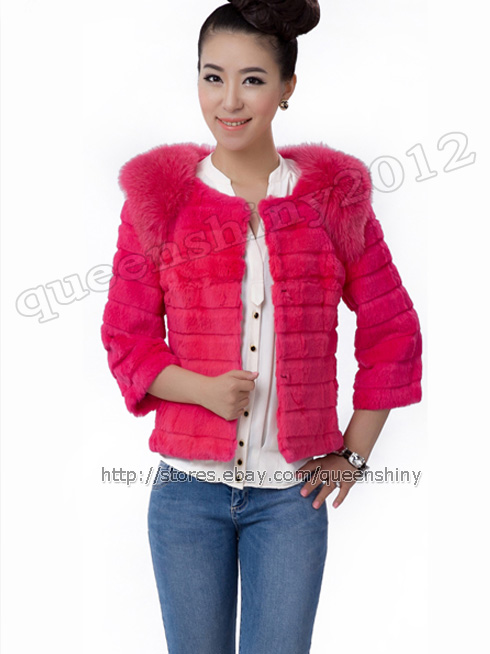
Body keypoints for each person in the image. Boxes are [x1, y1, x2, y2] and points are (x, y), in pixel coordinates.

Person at [100, 1, 423, 652]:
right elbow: (125, 338)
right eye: (212, 77)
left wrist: (353, 455)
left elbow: (393, 331)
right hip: (185, 496)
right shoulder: (160, 200)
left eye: (252, 79)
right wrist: (201, 390)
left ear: (286, 87)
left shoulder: (332, 200)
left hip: (289, 501)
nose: (229, 100)